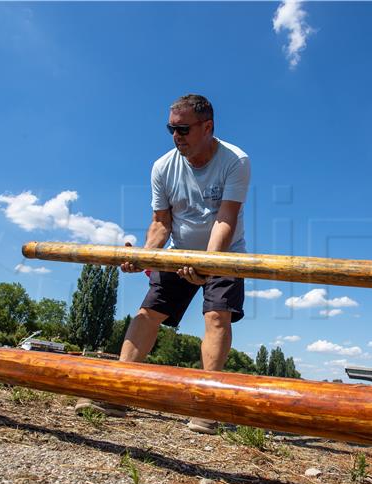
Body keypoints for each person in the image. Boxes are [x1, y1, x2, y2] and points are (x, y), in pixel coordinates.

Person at [75, 94, 251, 434]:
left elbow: (225, 218)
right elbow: (161, 222)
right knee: (147, 313)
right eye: (170, 129)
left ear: (208, 127)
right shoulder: (162, 166)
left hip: (225, 251)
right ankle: (118, 391)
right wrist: (142, 255)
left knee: (216, 316)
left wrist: (207, 264)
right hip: (179, 250)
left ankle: (206, 403)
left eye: (183, 129)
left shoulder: (236, 160)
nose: (176, 136)